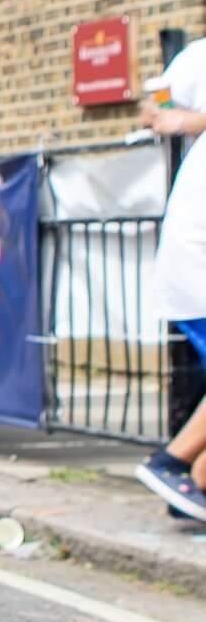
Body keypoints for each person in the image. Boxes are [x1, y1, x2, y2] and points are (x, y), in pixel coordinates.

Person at [132, 52, 206, 522]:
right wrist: (173, 118)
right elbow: (152, 106)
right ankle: (171, 462)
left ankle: (191, 491)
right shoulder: (198, 54)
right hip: (197, 257)